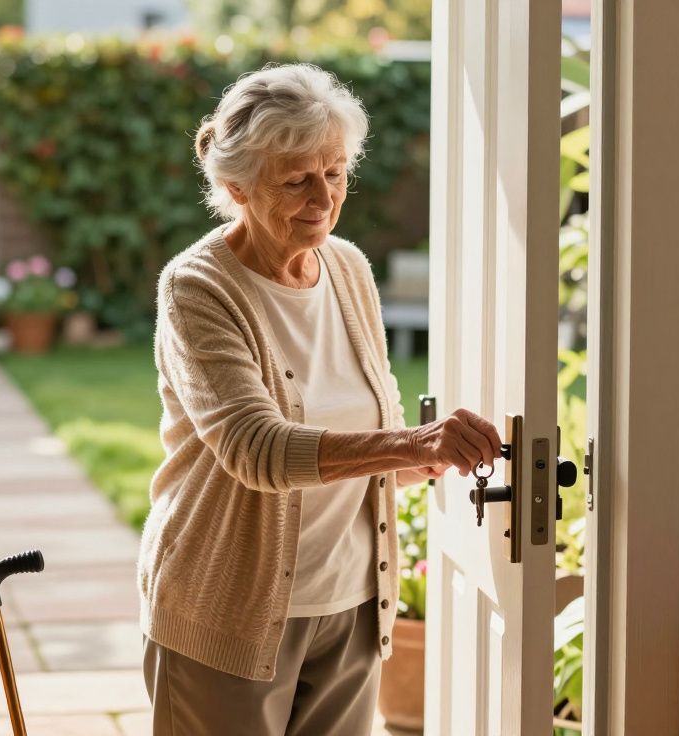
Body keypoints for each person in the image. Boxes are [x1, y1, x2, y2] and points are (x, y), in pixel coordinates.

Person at [138, 63, 502, 735]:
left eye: (335, 173)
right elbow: (258, 451)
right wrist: (410, 443)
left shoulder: (349, 268)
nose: (323, 197)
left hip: (351, 604)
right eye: (296, 180)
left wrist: (419, 459)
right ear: (237, 187)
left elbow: (376, 434)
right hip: (227, 610)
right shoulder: (198, 288)